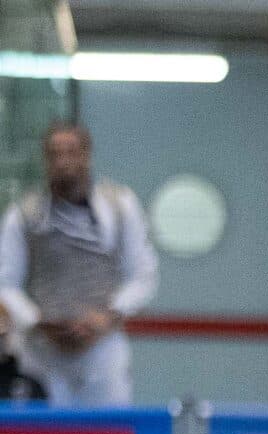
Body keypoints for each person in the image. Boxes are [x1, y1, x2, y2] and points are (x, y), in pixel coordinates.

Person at [0, 121, 157, 405]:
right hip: (41, 355)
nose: (64, 162)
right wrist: (37, 321)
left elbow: (143, 275)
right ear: (46, 160)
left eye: (71, 152)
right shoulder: (23, 214)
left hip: (103, 354)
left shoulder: (120, 206)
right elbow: (5, 281)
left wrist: (105, 318)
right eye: (55, 154)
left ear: (87, 154)